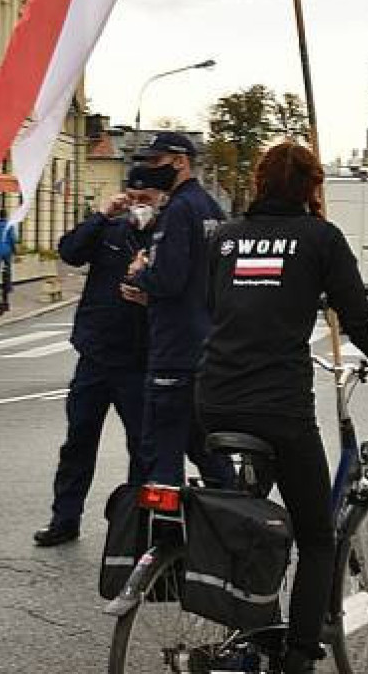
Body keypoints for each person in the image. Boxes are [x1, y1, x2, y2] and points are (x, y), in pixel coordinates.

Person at [196, 141, 368, 674]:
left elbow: (215, 307)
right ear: (312, 188)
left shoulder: (225, 237)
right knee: (317, 536)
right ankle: (298, 656)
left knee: (249, 520)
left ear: (259, 183)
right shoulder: (321, 238)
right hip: (278, 407)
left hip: (213, 400)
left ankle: (251, 631)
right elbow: (360, 325)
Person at [33, 169, 164, 547]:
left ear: (160, 198)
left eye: (146, 197)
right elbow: (70, 251)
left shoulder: (166, 237)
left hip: (138, 359)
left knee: (141, 446)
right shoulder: (111, 230)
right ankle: (64, 518)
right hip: (95, 354)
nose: (139, 204)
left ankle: (137, 525)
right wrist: (102, 215)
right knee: (78, 440)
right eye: (133, 196)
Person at [127, 131, 229, 487]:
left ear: (180, 161)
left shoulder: (178, 210)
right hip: (206, 347)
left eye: (157, 161)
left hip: (174, 350)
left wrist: (140, 274)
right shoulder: (212, 209)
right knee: (207, 451)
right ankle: (233, 516)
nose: (151, 167)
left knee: (161, 457)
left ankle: (165, 522)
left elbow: (168, 279)